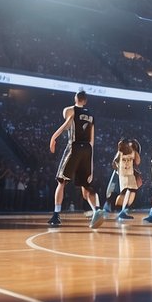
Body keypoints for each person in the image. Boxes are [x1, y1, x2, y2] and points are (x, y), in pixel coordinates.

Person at [47, 90, 100, 228]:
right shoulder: (92, 115)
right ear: (86, 101)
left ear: (76, 98)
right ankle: (97, 210)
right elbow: (92, 141)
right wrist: (91, 164)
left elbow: (66, 124)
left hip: (74, 147)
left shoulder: (70, 110)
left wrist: (53, 138)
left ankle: (56, 214)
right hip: (88, 150)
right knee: (86, 185)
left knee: (61, 181)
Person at [109, 139, 141, 221]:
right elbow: (114, 162)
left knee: (131, 190)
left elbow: (137, 162)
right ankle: (122, 210)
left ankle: (123, 210)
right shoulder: (120, 153)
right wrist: (118, 170)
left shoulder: (132, 153)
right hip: (124, 174)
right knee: (127, 190)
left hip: (129, 173)